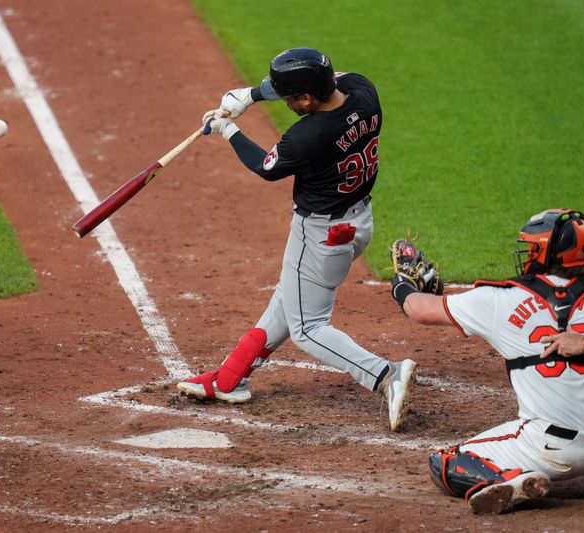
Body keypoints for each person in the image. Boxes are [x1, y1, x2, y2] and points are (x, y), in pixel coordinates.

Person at [176, 48, 417, 433]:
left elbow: (266, 167)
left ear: (306, 99)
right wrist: (253, 95)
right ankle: (229, 377)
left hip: (320, 235)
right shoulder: (363, 91)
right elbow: (341, 74)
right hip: (357, 222)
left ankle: (385, 374)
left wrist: (228, 128)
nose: (286, 102)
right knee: (290, 300)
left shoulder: (307, 137)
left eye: (289, 97)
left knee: (308, 326)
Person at [389, 209, 584, 514]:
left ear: (542, 251)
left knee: (447, 463)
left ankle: (513, 479)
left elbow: (419, 309)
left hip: (549, 449)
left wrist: (402, 285)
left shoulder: (500, 301)